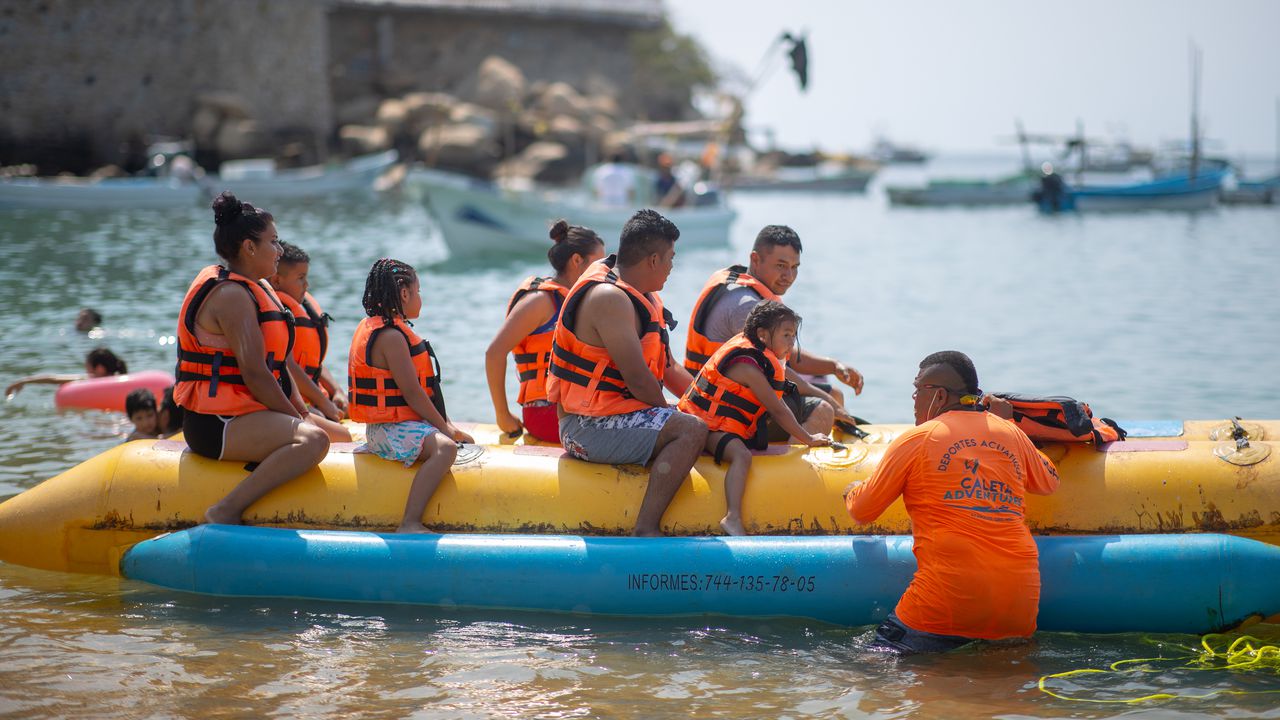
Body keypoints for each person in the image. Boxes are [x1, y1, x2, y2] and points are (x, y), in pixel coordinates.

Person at [845, 351, 1060, 653]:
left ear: (940, 395)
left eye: (918, 389)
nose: (914, 398)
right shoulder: (1012, 433)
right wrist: (1010, 425)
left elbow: (862, 510)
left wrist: (852, 491)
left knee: (871, 671)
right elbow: (1051, 480)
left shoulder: (917, 439)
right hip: (1016, 607)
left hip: (944, 603)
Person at [547, 209, 708, 536]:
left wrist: (706, 403)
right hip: (584, 428)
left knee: (702, 420)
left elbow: (670, 368)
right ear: (652, 260)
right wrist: (679, 419)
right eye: (670, 258)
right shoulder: (609, 298)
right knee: (690, 431)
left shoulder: (644, 297)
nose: (672, 267)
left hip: (618, 416)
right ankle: (645, 528)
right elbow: (637, 380)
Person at [175, 191, 330, 525]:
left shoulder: (258, 289)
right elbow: (255, 373)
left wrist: (302, 411)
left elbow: (278, 367)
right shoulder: (231, 295)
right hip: (215, 423)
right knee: (314, 439)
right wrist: (298, 420)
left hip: (245, 414)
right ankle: (225, 510)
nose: (279, 250)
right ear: (249, 247)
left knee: (329, 431)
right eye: (273, 242)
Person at [683, 224, 863, 442]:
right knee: (825, 408)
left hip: (734, 394)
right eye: (781, 265)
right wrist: (827, 401)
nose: (789, 276)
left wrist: (833, 366)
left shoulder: (746, 288)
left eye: (795, 267)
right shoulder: (745, 306)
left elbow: (784, 355)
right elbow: (778, 369)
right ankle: (791, 471)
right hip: (723, 409)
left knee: (834, 394)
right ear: (755, 259)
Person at [677, 301, 830, 535]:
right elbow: (777, 408)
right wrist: (807, 438)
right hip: (708, 426)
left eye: (794, 335)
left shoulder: (760, 356)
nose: (792, 342)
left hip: (726, 424)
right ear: (763, 335)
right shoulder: (747, 367)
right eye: (786, 335)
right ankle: (732, 517)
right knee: (741, 455)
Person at [348, 258, 474, 533]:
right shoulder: (390, 337)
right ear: (404, 293)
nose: (420, 298)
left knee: (453, 439)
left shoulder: (385, 329)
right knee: (446, 448)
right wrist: (445, 430)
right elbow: (413, 394)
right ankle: (410, 521)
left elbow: (423, 393)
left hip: (393, 426)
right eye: (418, 291)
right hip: (387, 430)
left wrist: (447, 424)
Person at [485, 220, 606, 442]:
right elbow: (494, 352)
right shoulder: (541, 301)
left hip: (578, 407)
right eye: (599, 263)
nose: (604, 271)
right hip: (547, 413)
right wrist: (502, 415)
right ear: (577, 260)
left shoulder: (580, 298)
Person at [268, 241, 351, 442]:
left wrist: (336, 391)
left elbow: (313, 362)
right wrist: (323, 403)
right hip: (292, 402)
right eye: (301, 278)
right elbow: (289, 366)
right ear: (277, 281)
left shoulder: (301, 309)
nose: (307, 285)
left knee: (347, 413)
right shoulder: (275, 313)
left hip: (310, 398)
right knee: (344, 436)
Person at [5, 347, 128, 397]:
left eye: (88, 366)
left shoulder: (90, 381)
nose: (86, 369)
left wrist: (23, 381)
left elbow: (53, 379)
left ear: (100, 368)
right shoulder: (123, 381)